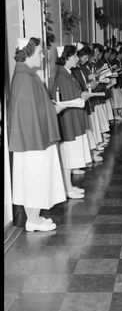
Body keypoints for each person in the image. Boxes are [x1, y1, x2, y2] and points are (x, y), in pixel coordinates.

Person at [8, 37, 67, 231]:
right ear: (29, 53)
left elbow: (37, 106)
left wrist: (50, 107)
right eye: (40, 52)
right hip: (32, 140)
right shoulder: (24, 78)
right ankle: (32, 219)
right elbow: (28, 112)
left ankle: (35, 217)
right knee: (33, 177)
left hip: (35, 136)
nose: (42, 56)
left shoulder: (27, 75)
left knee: (35, 177)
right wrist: (53, 109)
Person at [50, 45, 92, 199]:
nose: (77, 59)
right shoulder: (62, 76)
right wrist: (81, 98)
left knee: (70, 155)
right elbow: (64, 100)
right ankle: (67, 188)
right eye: (74, 56)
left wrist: (81, 95)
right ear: (66, 58)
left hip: (73, 116)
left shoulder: (68, 74)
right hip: (68, 119)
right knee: (67, 155)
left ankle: (69, 186)